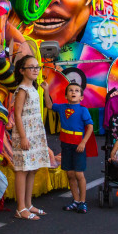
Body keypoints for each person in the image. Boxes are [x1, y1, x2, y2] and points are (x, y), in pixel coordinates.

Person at [10, 55, 51, 220]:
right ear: (22, 71)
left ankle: (28, 204)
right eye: (31, 67)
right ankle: (20, 208)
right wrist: (23, 137)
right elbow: (17, 115)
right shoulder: (22, 90)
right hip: (25, 133)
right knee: (22, 169)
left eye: (37, 67)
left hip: (35, 133)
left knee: (32, 168)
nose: (35, 70)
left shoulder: (34, 88)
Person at [46, 82, 93, 214]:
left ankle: (83, 202)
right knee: (70, 174)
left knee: (79, 174)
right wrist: (46, 90)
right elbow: (49, 105)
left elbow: (90, 126)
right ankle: (76, 201)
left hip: (78, 145)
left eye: (77, 91)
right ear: (66, 95)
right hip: (66, 145)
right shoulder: (61, 107)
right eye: (71, 90)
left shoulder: (83, 110)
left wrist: (83, 142)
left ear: (81, 97)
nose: (73, 92)